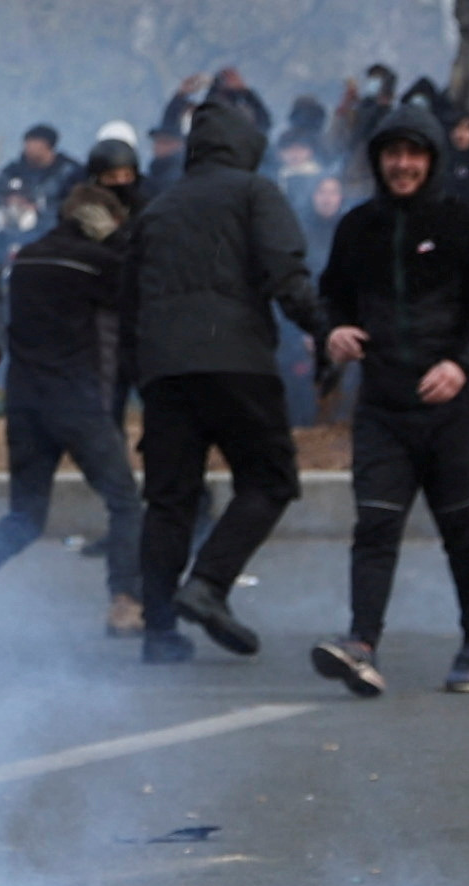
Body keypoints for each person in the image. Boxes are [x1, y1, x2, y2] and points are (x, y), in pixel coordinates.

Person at [307, 116, 469, 694]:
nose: (402, 165)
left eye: (414, 155)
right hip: (382, 407)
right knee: (375, 525)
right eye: (392, 154)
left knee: (463, 530)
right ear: (378, 161)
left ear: (433, 160)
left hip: (451, 409)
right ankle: (361, 644)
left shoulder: (462, 224)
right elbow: (329, 299)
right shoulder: (357, 228)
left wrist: (460, 365)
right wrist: (334, 332)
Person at [130, 97, 324, 663]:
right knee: (269, 480)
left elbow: (128, 300)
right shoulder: (255, 193)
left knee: (169, 501)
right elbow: (286, 273)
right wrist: (325, 330)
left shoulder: (158, 209)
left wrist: (137, 374)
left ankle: (159, 632)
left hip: (165, 371)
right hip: (237, 361)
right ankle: (210, 583)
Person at [0, 158, 135, 625]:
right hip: (76, 400)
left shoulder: (27, 258)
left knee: (26, 515)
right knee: (124, 501)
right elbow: (131, 290)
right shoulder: (98, 262)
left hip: (25, 401)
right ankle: (126, 601)